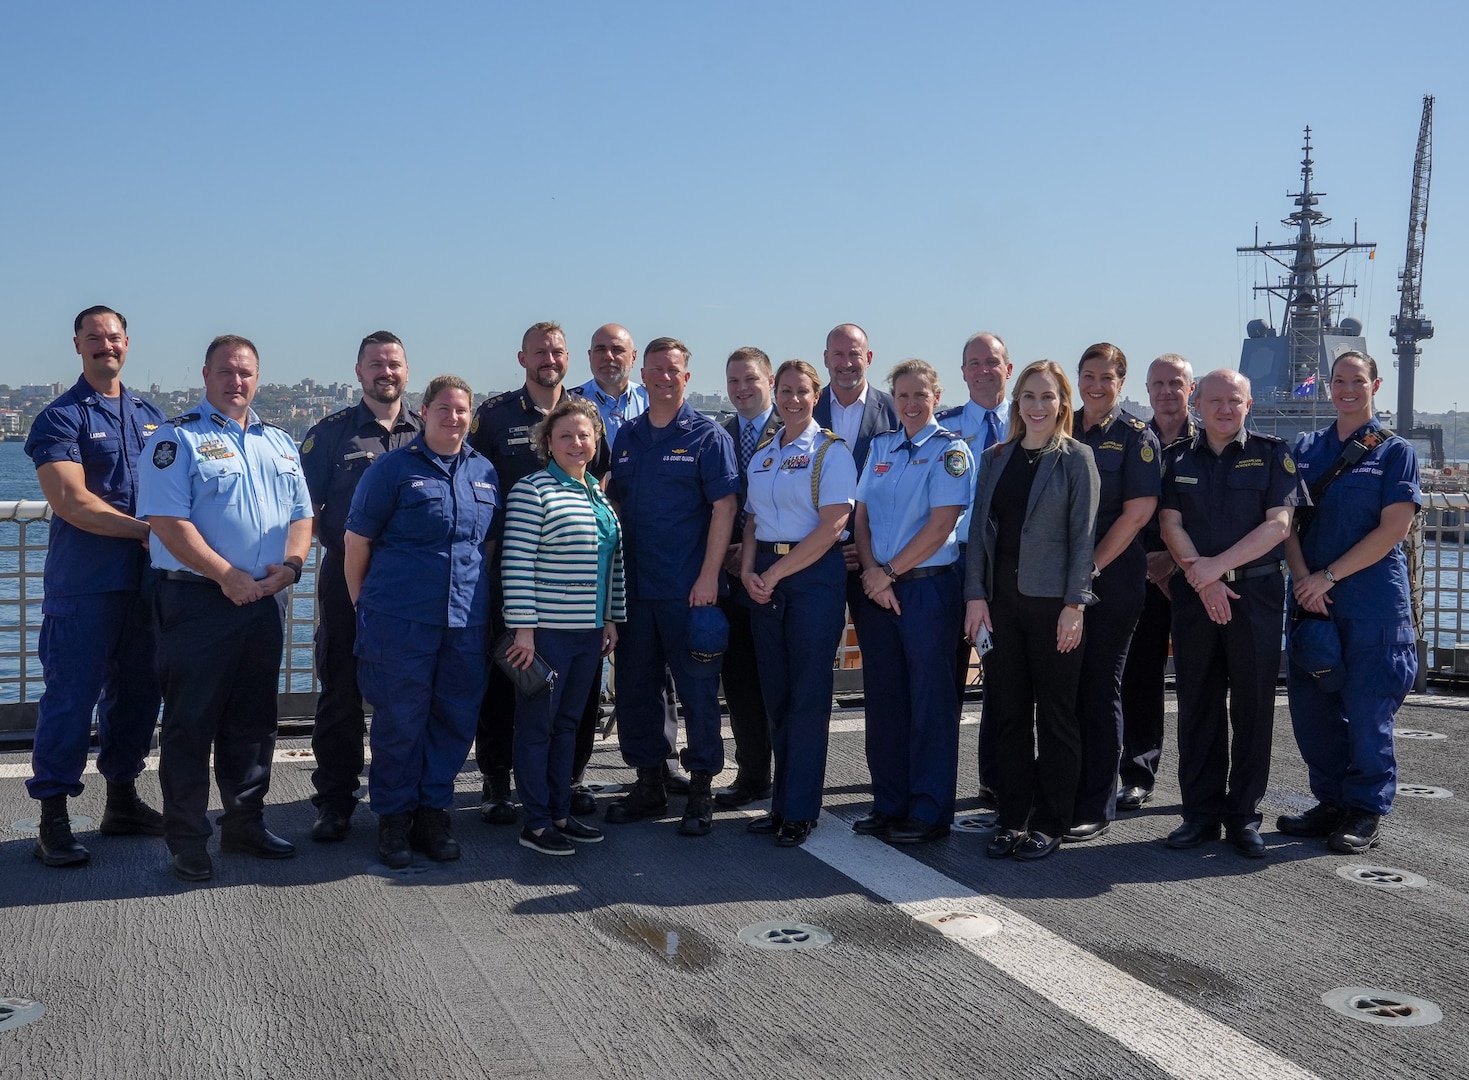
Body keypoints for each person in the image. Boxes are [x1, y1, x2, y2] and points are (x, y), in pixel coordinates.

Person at [138, 334, 313, 883]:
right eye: (226, 372)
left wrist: (292, 567)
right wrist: (225, 575)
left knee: (254, 722)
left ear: (257, 378)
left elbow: (303, 515)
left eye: (245, 373)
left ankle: (245, 822)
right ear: (206, 375)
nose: (236, 382)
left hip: (263, 601)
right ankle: (188, 838)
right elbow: (167, 522)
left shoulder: (281, 443)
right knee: (191, 724)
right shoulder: (176, 440)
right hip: (196, 601)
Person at [24, 305, 168, 867]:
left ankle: (123, 802)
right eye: (94, 337)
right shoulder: (60, 418)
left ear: (127, 343)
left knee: (137, 696)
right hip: (85, 585)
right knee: (70, 698)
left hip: (146, 585)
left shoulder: (151, 415)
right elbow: (71, 502)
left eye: (113, 337)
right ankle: (52, 820)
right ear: (77, 346)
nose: (105, 345)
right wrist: (148, 533)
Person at [344, 375, 499, 869]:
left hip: (465, 621)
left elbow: (487, 547)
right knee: (399, 720)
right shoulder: (391, 470)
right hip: (400, 619)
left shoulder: (485, 472)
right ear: (425, 412)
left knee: (454, 718)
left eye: (461, 411)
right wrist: (363, 608)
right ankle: (393, 817)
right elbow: (356, 545)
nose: (453, 418)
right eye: (444, 408)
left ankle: (434, 812)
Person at [1159, 369, 1305, 858]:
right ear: (1197, 403)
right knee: (1197, 704)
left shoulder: (1272, 454)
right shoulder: (1175, 457)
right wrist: (1204, 581)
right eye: (1215, 400)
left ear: (1249, 406)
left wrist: (1214, 571)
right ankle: (1199, 815)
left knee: (1253, 706)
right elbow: (1169, 523)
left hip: (1256, 597)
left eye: (1234, 401)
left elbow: (1279, 525)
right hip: (1195, 598)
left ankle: (1243, 815)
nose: (1224, 409)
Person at [468, 322, 608, 825]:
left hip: (574, 585)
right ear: (522, 357)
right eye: (539, 351)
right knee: (509, 680)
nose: (549, 358)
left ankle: (565, 779)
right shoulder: (495, 415)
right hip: (513, 569)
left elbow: (598, 482)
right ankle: (496, 780)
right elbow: (472, 478)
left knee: (575, 690)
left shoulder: (586, 413)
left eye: (557, 350)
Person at [1280, 351, 1419, 854]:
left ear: (1375, 385)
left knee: (1367, 711)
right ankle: (1331, 802)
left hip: (1372, 604)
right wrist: (1303, 580)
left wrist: (1327, 577)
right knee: (1312, 710)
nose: (1346, 389)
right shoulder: (1308, 447)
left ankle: (1364, 808)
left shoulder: (1394, 451)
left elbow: (1394, 529)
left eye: (1356, 381)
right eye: (1338, 381)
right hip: (1313, 601)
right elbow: (1288, 523)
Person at [604, 337, 739, 836]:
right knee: (637, 690)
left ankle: (701, 786)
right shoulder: (627, 437)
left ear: (687, 376)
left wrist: (708, 576)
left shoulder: (707, 437)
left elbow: (724, 507)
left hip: (689, 590)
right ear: (643, 374)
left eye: (673, 370)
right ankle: (649, 781)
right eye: (655, 369)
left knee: (698, 691)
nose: (663, 377)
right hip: (635, 591)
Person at [964, 360, 1099, 861]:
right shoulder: (996, 456)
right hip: (1001, 607)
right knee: (1009, 715)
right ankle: (1012, 817)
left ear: (1063, 403)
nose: (1037, 406)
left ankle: (1050, 821)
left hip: (1052, 609)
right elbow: (979, 532)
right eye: (1028, 396)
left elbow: (1084, 540)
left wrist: (1074, 606)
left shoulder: (1077, 458)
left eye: (1047, 396)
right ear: (1016, 403)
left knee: (1058, 717)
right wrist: (975, 596)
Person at [299, 331, 421, 842]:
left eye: (393, 363)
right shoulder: (330, 434)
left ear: (406, 370)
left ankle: (408, 798)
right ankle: (335, 800)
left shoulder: (430, 428)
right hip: (345, 580)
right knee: (341, 692)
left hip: (413, 586)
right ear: (358, 372)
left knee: (412, 693)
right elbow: (302, 509)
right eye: (375, 364)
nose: (385, 372)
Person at [851, 359, 974, 844]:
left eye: (920, 395)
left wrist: (889, 573)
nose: (911, 403)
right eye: (902, 395)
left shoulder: (950, 451)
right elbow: (860, 517)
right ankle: (889, 803)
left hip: (926, 588)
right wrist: (870, 573)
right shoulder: (880, 447)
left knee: (930, 702)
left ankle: (928, 812)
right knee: (884, 701)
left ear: (936, 396)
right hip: (878, 589)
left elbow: (942, 524)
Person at [501, 396, 625, 855]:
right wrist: (525, 631)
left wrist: (611, 617)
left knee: (570, 725)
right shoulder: (532, 491)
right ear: (547, 443)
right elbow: (516, 563)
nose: (576, 443)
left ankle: (558, 811)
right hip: (547, 636)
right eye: (565, 436)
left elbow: (609, 563)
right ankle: (535, 822)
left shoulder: (596, 491)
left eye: (584, 435)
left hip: (588, 633)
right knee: (538, 728)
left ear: (596, 440)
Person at [740, 360, 857, 846]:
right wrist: (748, 570)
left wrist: (773, 572)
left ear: (816, 395)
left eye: (802, 392)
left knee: (808, 698)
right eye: (785, 391)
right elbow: (751, 520)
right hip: (766, 578)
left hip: (811, 576)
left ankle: (801, 810)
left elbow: (832, 526)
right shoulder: (764, 453)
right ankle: (781, 802)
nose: (792, 400)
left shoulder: (831, 452)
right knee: (777, 697)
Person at [1066, 344, 1161, 842]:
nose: (1095, 385)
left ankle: (1097, 804)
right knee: (1065, 690)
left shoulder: (1136, 438)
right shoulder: (1062, 427)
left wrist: (1089, 569)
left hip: (1112, 580)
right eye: (1087, 375)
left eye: (1106, 377)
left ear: (1121, 382)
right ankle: (1064, 789)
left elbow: (1137, 513)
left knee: (1100, 689)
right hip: (1062, 581)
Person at [935, 331, 1012, 804]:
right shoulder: (942, 428)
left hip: (1007, 568)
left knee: (1004, 681)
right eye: (974, 363)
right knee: (943, 680)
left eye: (993, 362)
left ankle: (996, 781)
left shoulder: (1029, 426)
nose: (984, 370)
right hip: (952, 562)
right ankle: (934, 783)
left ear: (1008, 368)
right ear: (962, 372)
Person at [1117, 355, 1198, 811]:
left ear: (1190, 388)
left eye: (1176, 383)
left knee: (1199, 683)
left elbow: (1218, 514)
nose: (1167, 392)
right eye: (1159, 384)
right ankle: (1138, 774)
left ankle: (1199, 782)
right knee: (1140, 679)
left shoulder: (1211, 442)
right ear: (1146, 391)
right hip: (1139, 576)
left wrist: (1173, 559)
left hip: (1192, 576)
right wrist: (1147, 563)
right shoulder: (1134, 439)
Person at [714, 347, 781, 809]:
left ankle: (793, 777)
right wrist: (726, 555)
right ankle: (752, 772)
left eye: (750, 380)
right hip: (731, 579)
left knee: (782, 683)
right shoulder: (720, 434)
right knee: (739, 683)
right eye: (733, 381)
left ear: (770, 380)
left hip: (779, 575)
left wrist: (753, 553)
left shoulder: (795, 429)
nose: (741, 389)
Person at [814, 323, 898, 638]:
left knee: (880, 660)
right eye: (838, 354)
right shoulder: (804, 409)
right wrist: (831, 544)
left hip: (877, 562)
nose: (846, 363)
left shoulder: (895, 410)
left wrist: (864, 549)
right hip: (816, 558)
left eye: (854, 354)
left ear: (870, 357)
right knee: (815, 657)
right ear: (825, 358)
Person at [574, 323, 648, 445]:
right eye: (600, 350)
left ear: (633, 357)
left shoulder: (651, 401)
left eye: (617, 350)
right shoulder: (570, 402)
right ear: (590, 356)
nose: (608, 356)